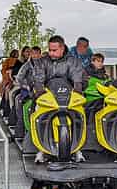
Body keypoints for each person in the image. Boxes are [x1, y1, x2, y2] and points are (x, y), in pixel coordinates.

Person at [31, 35, 86, 163]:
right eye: (50, 50)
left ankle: (77, 149)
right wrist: (39, 91)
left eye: (54, 50)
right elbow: (38, 78)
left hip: (69, 95)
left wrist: (78, 89)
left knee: (80, 113)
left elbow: (78, 78)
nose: (51, 53)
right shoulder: (42, 61)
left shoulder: (73, 61)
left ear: (62, 48)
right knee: (36, 111)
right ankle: (41, 149)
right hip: (48, 95)